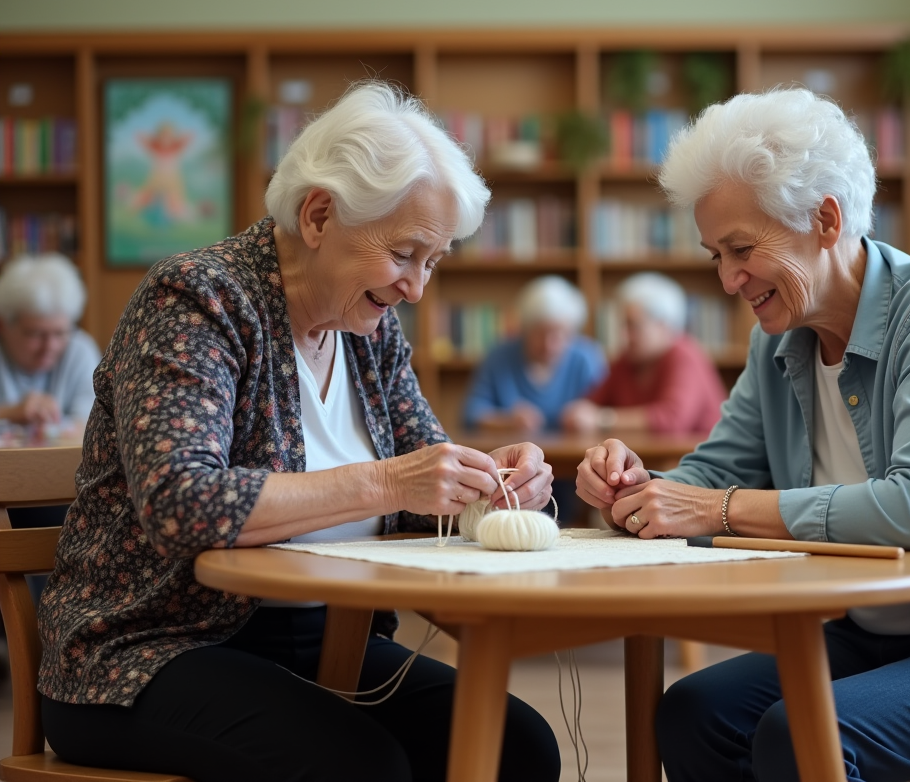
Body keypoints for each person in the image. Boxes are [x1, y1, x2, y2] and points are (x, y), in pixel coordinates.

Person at [576, 88, 910, 782]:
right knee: (692, 713)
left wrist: (715, 509)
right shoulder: (778, 342)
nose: (728, 279)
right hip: (878, 635)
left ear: (826, 220)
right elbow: (710, 477)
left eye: (741, 248)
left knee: (802, 736)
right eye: (716, 255)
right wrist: (636, 488)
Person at [36, 82, 560, 782]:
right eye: (404, 253)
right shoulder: (198, 298)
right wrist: (389, 481)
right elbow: (181, 503)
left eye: (433, 262)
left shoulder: (371, 329)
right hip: (147, 650)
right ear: (319, 216)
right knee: (362, 767)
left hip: (328, 638)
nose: (416, 288)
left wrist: (490, 485)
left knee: (518, 747)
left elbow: (420, 491)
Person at [560, 272, 725, 436]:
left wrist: (602, 420)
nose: (624, 335)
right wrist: (577, 414)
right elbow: (591, 404)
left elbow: (672, 420)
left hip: (697, 452)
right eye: (623, 325)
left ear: (663, 325)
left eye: (633, 326)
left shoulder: (685, 356)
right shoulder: (627, 361)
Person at [462, 275, 606, 432]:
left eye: (559, 335)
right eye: (539, 334)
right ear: (525, 329)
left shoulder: (587, 357)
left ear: (573, 332)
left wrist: (592, 417)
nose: (548, 345)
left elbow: (609, 411)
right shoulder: (498, 357)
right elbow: (471, 414)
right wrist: (507, 421)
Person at [0, 253, 100, 433]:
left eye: (60, 333)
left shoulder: (80, 350)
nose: (50, 346)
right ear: (4, 326)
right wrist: (10, 413)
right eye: (36, 334)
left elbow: (92, 426)